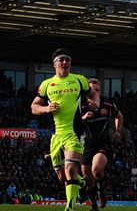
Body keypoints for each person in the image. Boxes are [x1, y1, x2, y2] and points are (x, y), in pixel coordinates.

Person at [31, 48, 100, 211]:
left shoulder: (79, 80)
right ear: (54, 64)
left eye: (67, 59)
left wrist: (95, 103)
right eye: (61, 60)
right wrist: (46, 109)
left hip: (74, 132)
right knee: (63, 177)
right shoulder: (47, 84)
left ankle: (69, 207)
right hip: (56, 134)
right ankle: (82, 182)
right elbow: (34, 107)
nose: (65, 62)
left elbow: (93, 95)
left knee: (70, 168)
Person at [80, 78, 123, 211]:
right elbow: (71, 124)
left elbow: (119, 116)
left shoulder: (108, 104)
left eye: (97, 90)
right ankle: (93, 206)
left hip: (104, 144)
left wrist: (118, 131)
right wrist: (82, 118)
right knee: (88, 181)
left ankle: (102, 191)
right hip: (87, 146)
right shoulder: (80, 106)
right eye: (92, 90)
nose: (95, 92)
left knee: (97, 170)